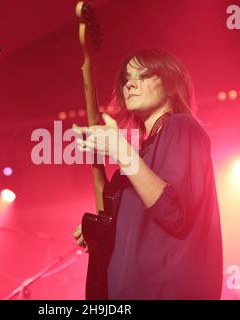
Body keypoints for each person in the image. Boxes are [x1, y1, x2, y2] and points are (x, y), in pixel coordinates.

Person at [73, 48, 223, 299]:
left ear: (170, 83)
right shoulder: (136, 161)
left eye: (143, 76)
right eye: (127, 79)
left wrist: (122, 151)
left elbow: (174, 213)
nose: (130, 84)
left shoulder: (181, 127)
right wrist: (100, 234)